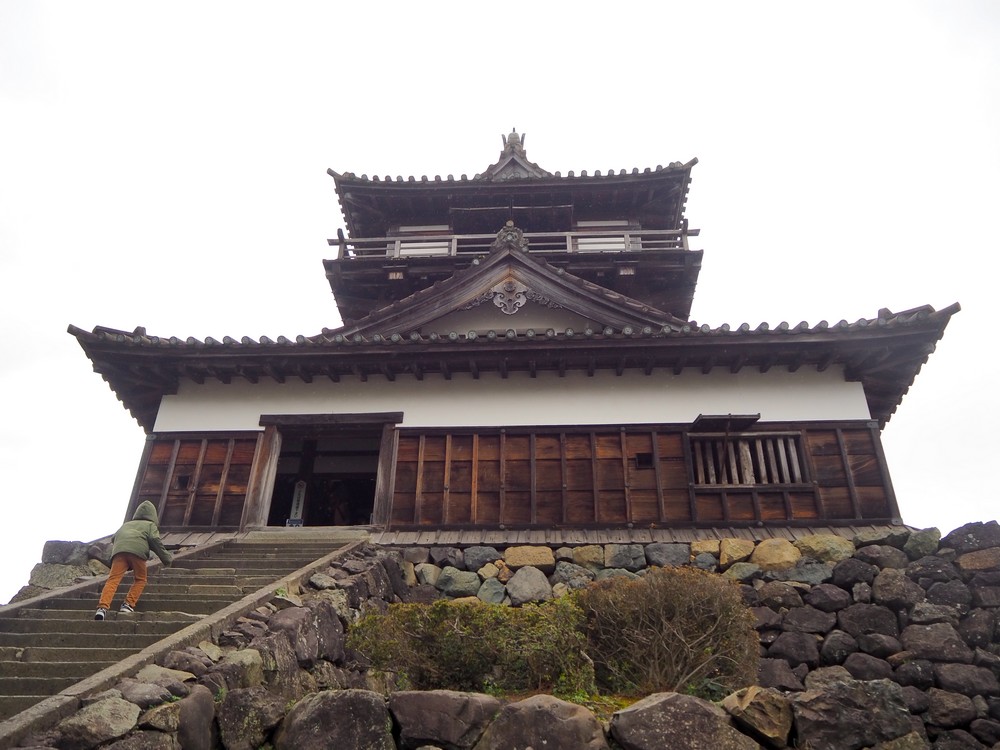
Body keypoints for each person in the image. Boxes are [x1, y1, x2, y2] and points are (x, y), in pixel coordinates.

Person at [94, 500, 172, 620]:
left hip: (119, 553)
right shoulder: (150, 525)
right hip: (138, 554)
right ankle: (128, 604)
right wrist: (166, 559)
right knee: (140, 579)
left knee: (113, 580)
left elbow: (114, 537)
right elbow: (155, 541)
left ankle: (102, 608)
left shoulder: (126, 524)